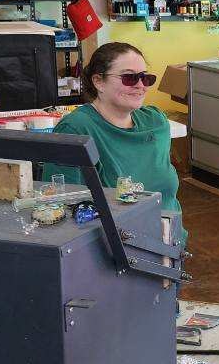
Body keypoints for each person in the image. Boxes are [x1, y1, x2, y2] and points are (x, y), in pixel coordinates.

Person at [42, 42, 185, 238]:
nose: (140, 85)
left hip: (170, 241)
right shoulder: (76, 130)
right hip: (116, 246)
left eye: (145, 78)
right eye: (129, 77)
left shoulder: (156, 122)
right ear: (98, 82)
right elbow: (62, 206)